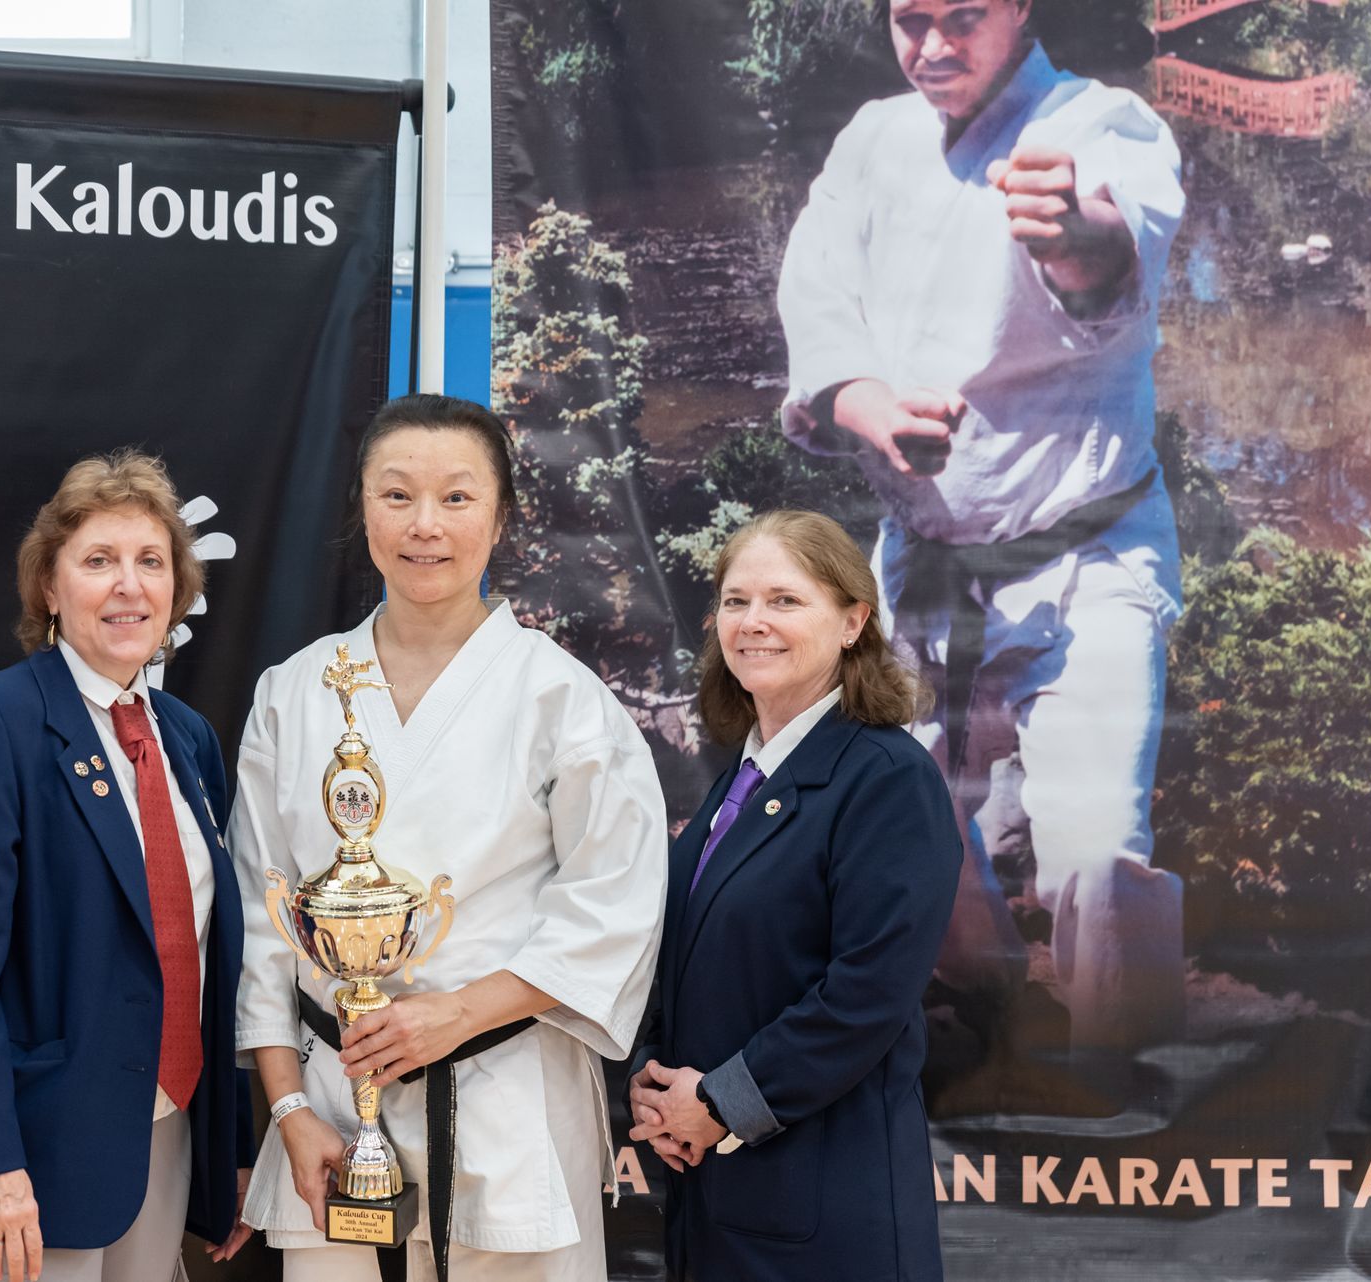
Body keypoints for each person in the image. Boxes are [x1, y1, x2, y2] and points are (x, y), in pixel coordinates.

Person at [776, 0, 1188, 1050]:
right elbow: (818, 297)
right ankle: (996, 999)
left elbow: (1115, 251)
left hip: (1081, 550)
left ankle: (1122, 1070)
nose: (934, 47)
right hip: (925, 561)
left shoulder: (1103, 125)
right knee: (901, 823)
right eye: (911, 20)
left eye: (964, 17)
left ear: (1019, 10)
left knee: (1099, 858)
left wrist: (1079, 241)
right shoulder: (874, 140)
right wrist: (868, 403)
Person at [232, 393, 667, 1281]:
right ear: (361, 507)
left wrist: (453, 1016)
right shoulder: (294, 692)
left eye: (457, 498)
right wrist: (287, 1111)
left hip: (505, 1096)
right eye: (397, 495)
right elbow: (259, 920)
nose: (425, 525)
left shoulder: (561, 699)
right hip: (328, 1107)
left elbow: (611, 910)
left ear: (502, 516)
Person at [0, 450, 252, 1282]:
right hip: (22, 1159)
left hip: (161, 1139)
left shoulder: (188, 738)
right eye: (98, 561)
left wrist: (224, 1148)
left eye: (151, 562)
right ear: (50, 590)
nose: (129, 585)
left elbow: (203, 958)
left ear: (177, 590)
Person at [628, 510, 960, 1281]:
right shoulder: (735, 787)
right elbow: (692, 959)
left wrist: (716, 1105)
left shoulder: (888, 778)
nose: (753, 623)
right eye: (737, 601)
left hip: (826, 1211)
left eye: (784, 600)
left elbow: (866, 995)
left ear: (853, 621)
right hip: (715, 1204)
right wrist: (653, 1074)